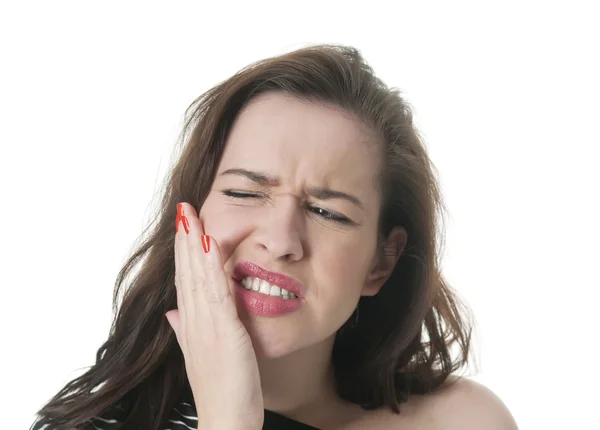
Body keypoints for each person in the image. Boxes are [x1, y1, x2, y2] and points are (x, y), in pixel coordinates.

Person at [30, 44, 518, 429]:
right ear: (191, 216)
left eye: (327, 211)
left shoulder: (466, 421)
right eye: (244, 192)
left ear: (381, 263)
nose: (281, 239)